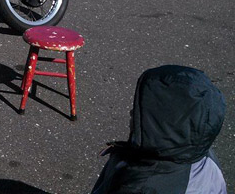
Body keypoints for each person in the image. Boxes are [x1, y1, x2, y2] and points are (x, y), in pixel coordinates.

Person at [91, 65, 227, 194]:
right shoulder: (194, 148)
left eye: (144, 111)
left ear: (166, 123)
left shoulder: (141, 188)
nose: (132, 113)